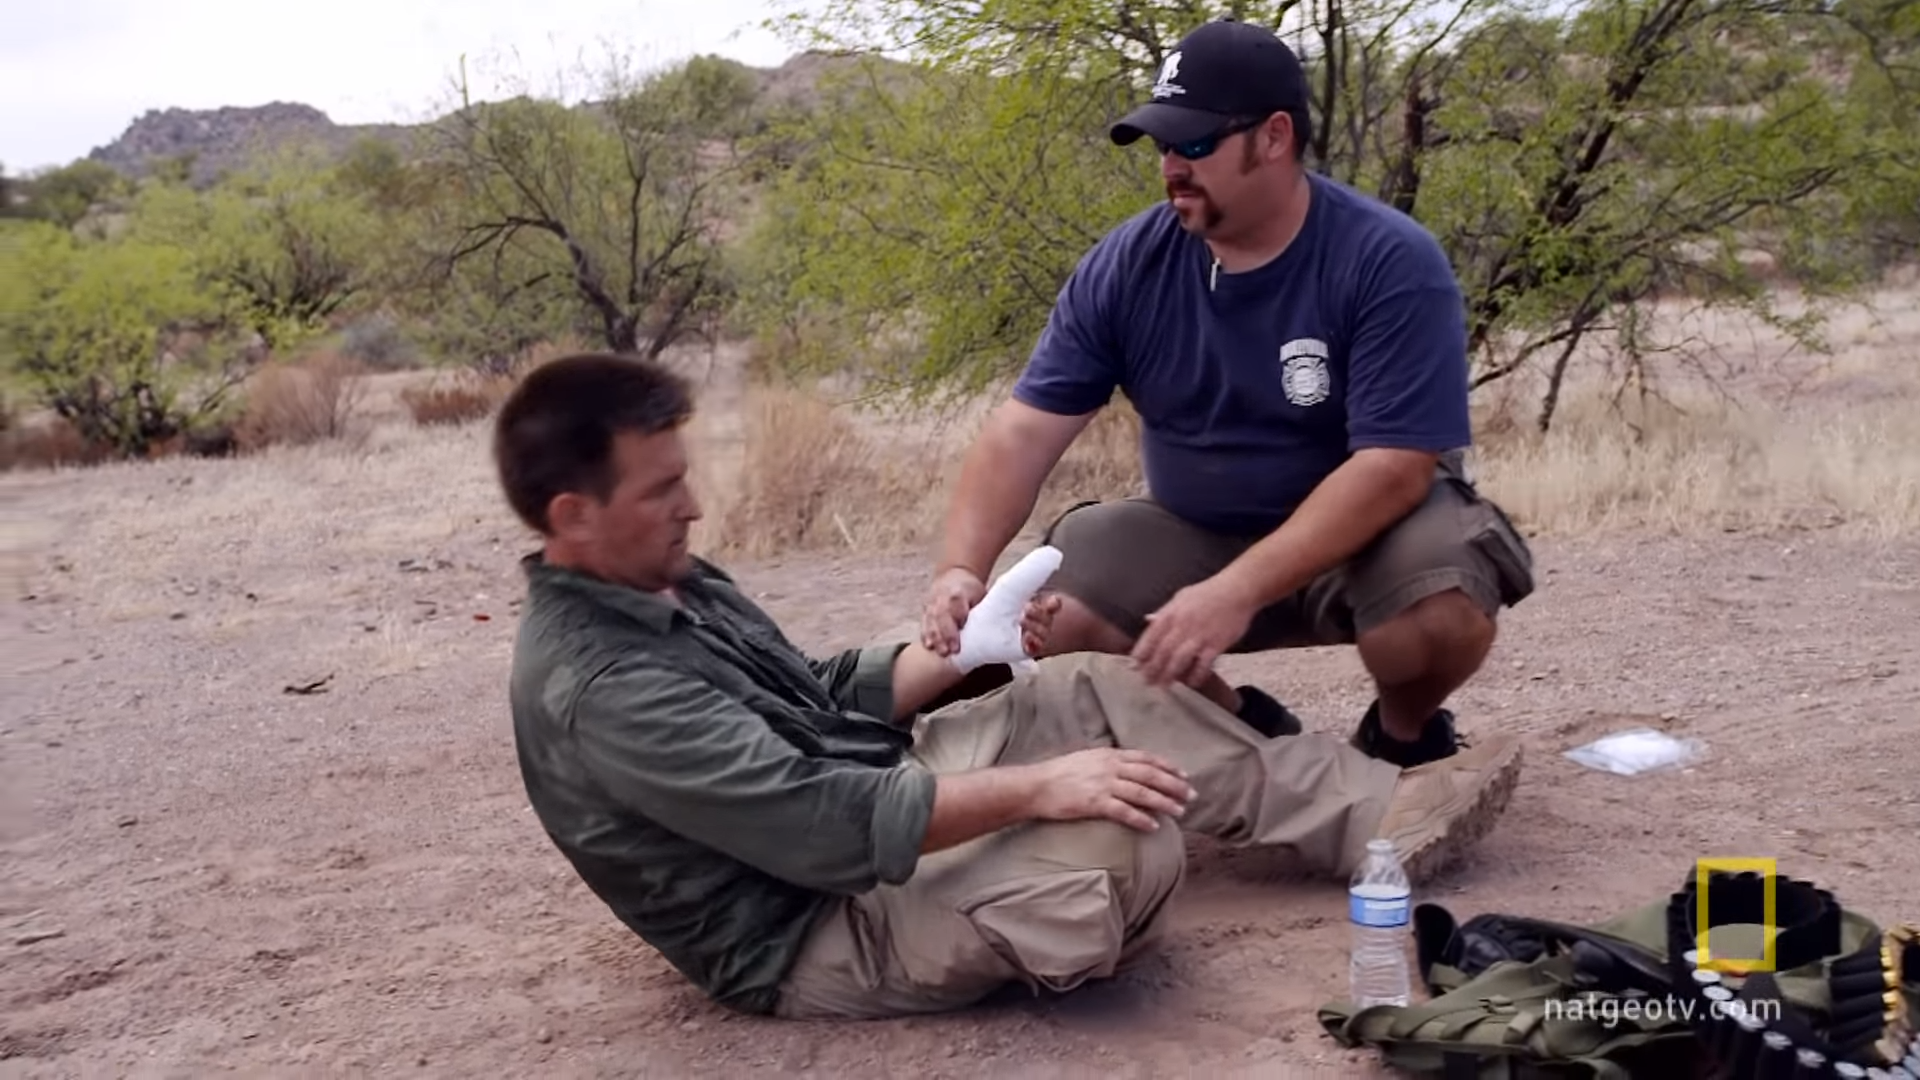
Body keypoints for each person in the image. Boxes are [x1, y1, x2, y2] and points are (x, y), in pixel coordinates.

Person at [495, 352, 1524, 1022]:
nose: (693, 507)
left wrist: (963, 653)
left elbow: (810, 693)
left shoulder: (662, 577)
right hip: (812, 921)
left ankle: (1380, 819)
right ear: (574, 515)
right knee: (1127, 838)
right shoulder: (603, 688)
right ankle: (1053, 891)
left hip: (869, 791)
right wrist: (1039, 789)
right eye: (663, 489)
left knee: (1087, 686)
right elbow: (821, 825)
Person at [919, 16, 1538, 770]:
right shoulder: (1126, 266)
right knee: (1056, 617)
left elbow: (1394, 468)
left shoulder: (1388, 259)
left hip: (1366, 537)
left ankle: (1402, 736)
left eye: (1195, 144)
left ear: (1274, 137)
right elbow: (1022, 434)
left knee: (1439, 608)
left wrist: (1238, 589)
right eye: (1162, 146)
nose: (1172, 166)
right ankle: (1248, 731)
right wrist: (961, 569)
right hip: (1200, 528)